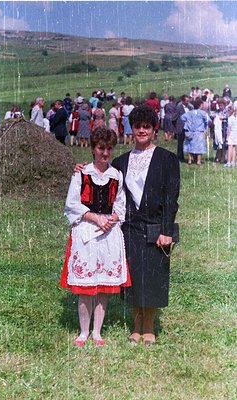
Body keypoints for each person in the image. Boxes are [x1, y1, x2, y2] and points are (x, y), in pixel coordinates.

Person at [110, 104, 180, 346]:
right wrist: (81, 171)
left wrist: (166, 231)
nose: (141, 130)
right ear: (132, 128)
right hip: (130, 228)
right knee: (134, 278)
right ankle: (135, 326)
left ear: (154, 129)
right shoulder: (121, 161)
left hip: (156, 229)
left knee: (152, 278)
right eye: (137, 126)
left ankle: (148, 327)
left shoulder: (167, 159)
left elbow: (171, 199)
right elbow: (102, 179)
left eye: (146, 127)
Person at [59, 127, 131, 347]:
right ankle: (83, 332)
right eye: (101, 148)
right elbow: (72, 203)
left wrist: (112, 218)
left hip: (109, 235)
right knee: (86, 287)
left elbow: (121, 203)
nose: (105, 153)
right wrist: (94, 218)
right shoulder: (81, 173)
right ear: (92, 148)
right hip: (86, 233)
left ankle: (97, 332)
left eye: (109, 149)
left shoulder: (115, 175)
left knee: (103, 287)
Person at [181, 98, 211, 165]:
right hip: (199, 132)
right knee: (199, 146)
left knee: (189, 145)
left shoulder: (189, 112)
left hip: (190, 132)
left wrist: (188, 123)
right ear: (200, 105)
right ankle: (198, 161)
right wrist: (205, 123)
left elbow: (182, 117)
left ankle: (189, 160)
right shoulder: (202, 113)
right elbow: (209, 120)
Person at [173, 95, 193, 162]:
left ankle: (192, 157)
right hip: (181, 128)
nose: (188, 102)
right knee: (180, 143)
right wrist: (176, 127)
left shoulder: (190, 107)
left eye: (188, 101)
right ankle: (179, 157)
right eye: (186, 101)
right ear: (183, 101)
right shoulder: (179, 107)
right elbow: (174, 118)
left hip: (189, 128)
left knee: (191, 142)